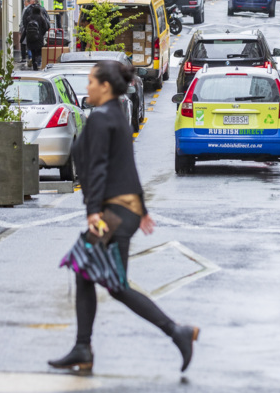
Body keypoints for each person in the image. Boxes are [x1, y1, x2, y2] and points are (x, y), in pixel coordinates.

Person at [49, 61, 199, 374]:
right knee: (85, 271)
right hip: (123, 210)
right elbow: (127, 164)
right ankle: (82, 347)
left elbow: (101, 166)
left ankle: (177, 332)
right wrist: (140, 209)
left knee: (115, 285)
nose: (87, 87)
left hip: (112, 214)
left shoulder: (104, 117)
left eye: (91, 81)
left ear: (104, 86)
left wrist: (93, 211)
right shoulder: (114, 111)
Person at [20, 0, 50, 70]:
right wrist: (41, 33)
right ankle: (38, 62)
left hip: (30, 36)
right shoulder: (41, 16)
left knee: (32, 50)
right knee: (39, 50)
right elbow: (46, 26)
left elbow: (24, 23)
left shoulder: (28, 15)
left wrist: (26, 33)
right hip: (39, 37)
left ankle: (34, 63)